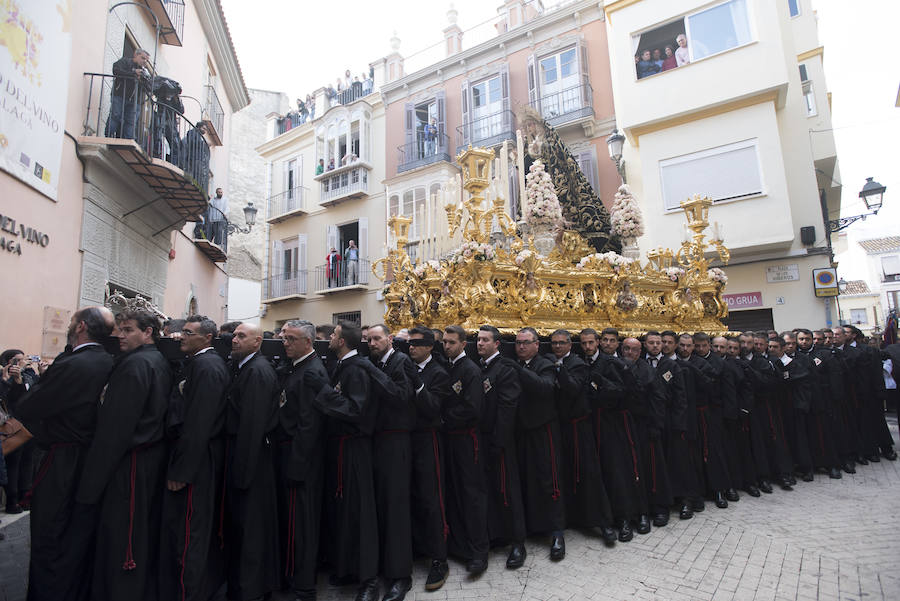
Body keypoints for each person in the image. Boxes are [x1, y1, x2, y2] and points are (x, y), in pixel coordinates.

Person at [14, 307, 115, 601]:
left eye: (72, 321)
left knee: (50, 538)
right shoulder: (108, 361)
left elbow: (30, 406)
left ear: (81, 326)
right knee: (77, 538)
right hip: (89, 459)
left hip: (63, 461)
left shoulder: (74, 363)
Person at [76, 309, 172, 601]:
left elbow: (115, 429)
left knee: (124, 537)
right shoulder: (151, 360)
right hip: (143, 460)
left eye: (128, 329)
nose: (119, 335)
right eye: (119, 329)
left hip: (128, 464)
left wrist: (90, 485)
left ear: (148, 332)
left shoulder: (137, 365)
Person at [307, 322, 395, 601]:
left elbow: (355, 409)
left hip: (355, 449)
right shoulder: (343, 365)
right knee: (344, 513)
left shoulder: (355, 368)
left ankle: (368, 581)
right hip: (341, 449)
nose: (330, 339)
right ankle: (347, 567)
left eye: (333, 335)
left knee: (361, 514)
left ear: (343, 341)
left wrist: (323, 391)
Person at [159, 315, 230, 601]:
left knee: (191, 532)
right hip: (195, 458)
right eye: (183, 332)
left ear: (207, 338)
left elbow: (199, 423)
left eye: (189, 333)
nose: (182, 337)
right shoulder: (198, 362)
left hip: (196, 463)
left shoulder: (208, 366)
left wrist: (182, 471)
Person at [224, 323, 280, 601]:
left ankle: (252, 589)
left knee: (252, 528)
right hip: (245, 456)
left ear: (257, 342)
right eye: (234, 335)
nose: (234, 340)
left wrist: (243, 474)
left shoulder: (257, 371)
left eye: (241, 336)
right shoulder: (246, 367)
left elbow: (252, 424)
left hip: (252, 461)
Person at [275, 320, 329, 601]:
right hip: (289, 454)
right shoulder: (296, 368)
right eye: (284, 338)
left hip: (302, 462)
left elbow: (309, 426)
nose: (285, 343)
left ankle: (304, 587)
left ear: (308, 342)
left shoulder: (312, 373)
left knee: (303, 525)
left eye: (291, 339)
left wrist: (297, 465)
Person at [548, 330, 615, 540]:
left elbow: (572, 388)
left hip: (579, 427)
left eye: (561, 343)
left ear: (569, 345)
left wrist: (558, 368)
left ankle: (603, 522)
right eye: (554, 344)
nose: (558, 347)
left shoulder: (576, 363)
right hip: (559, 427)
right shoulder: (548, 362)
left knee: (589, 474)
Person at [368, 325, 416, 601]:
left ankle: (400, 576)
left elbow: (400, 396)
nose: (372, 343)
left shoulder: (400, 361)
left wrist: (372, 372)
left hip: (397, 441)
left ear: (389, 339)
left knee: (396, 508)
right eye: (369, 339)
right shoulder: (377, 361)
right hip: (378, 441)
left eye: (377, 338)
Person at [586, 328, 646, 542]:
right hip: (599, 424)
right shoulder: (591, 363)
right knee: (607, 471)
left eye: (613, 340)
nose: (608, 344)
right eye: (605, 340)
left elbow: (632, 393)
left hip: (620, 424)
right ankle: (611, 518)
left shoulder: (623, 364)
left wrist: (603, 387)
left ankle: (631, 515)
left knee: (626, 469)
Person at [476, 325, 529, 567]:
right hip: (482, 440)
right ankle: (496, 534)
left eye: (486, 340)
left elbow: (507, 409)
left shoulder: (505, 369)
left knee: (509, 490)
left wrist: (498, 441)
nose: (480, 344)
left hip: (501, 441)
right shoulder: (481, 367)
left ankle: (518, 542)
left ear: (497, 344)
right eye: (478, 340)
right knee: (488, 490)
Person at [513, 327, 566, 560]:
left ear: (537, 344)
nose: (521, 347)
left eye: (526, 343)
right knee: (524, 480)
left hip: (544, 432)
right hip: (520, 432)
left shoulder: (545, 364)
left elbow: (544, 388)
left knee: (549, 480)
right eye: (518, 343)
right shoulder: (513, 365)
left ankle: (556, 533)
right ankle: (526, 531)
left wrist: (518, 370)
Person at [406, 326, 452, 591]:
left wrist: (418, 384)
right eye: (409, 343)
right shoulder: (408, 367)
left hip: (429, 439)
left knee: (432, 498)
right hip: (408, 438)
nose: (411, 347)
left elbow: (434, 407)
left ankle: (439, 558)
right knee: (412, 495)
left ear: (429, 347)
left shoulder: (438, 373)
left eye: (416, 344)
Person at [441, 325, 489, 575]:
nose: (446, 346)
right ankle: (459, 546)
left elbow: (472, 409)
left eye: (451, 342)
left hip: (466, 440)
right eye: (444, 342)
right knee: (454, 492)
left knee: (472, 495)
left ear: (463, 344)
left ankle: (479, 552)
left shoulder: (469, 370)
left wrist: (444, 417)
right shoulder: (448, 367)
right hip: (450, 440)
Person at [622, 336, 673, 529]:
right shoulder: (618, 366)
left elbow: (659, 399)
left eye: (634, 350)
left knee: (652, 467)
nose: (629, 353)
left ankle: (658, 507)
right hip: (625, 426)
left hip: (646, 426)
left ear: (640, 350)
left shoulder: (648, 371)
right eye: (626, 349)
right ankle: (634, 511)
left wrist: (655, 425)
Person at [106, 49, 151, 139]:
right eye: (143, 58)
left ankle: (128, 140)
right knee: (115, 116)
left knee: (131, 121)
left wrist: (144, 79)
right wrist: (134, 73)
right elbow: (116, 70)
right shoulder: (125, 62)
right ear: (135, 55)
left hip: (135, 100)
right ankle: (108, 136)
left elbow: (149, 88)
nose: (144, 61)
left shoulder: (145, 72)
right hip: (119, 95)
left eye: (147, 60)